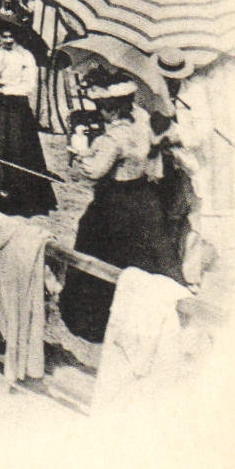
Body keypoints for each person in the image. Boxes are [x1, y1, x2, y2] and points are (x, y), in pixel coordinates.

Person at [58, 79, 183, 342]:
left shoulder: (112, 138)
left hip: (114, 200)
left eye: (103, 108)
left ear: (111, 110)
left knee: (99, 247)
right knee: (145, 253)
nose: (100, 112)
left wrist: (79, 155)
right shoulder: (141, 123)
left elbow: (95, 171)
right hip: (143, 195)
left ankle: (94, 320)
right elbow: (154, 144)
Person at [0, 23, 57, 215]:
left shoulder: (25, 56)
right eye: (4, 36)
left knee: (17, 146)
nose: (8, 40)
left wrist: (5, 87)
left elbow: (29, 86)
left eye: (11, 37)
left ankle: (19, 197)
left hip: (17, 106)